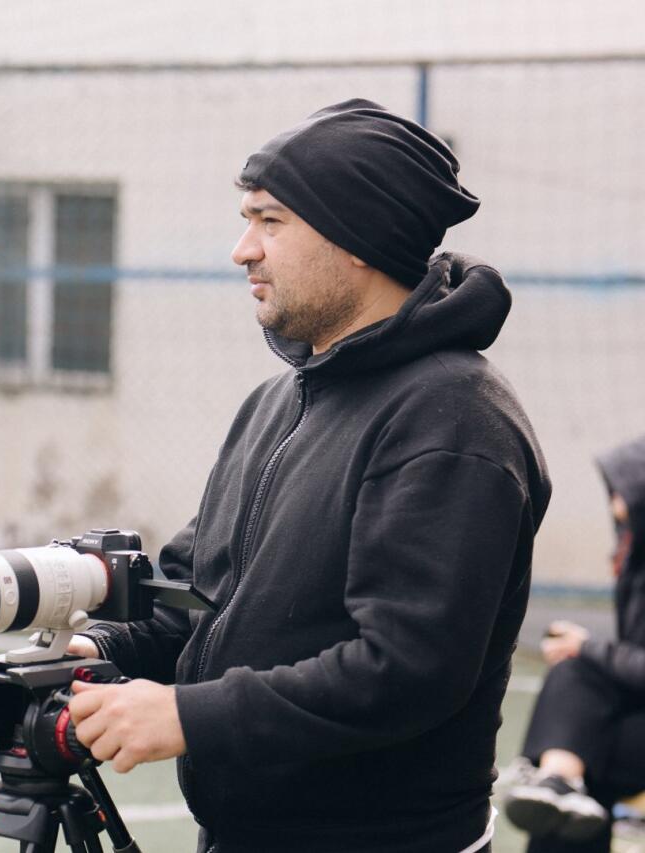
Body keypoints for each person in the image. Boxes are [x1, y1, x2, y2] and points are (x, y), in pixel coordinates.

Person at [64, 99, 551, 853]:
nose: (242, 249)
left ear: (356, 238)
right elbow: (196, 598)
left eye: (270, 221)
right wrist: (102, 653)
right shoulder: (277, 401)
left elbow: (405, 669)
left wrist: (189, 715)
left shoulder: (454, 417)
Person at [501, 436, 645, 851]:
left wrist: (587, 648)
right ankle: (560, 780)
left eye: (623, 487)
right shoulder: (634, 554)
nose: (613, 496)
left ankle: (560, 776)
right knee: (576, 672)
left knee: (582, 680)